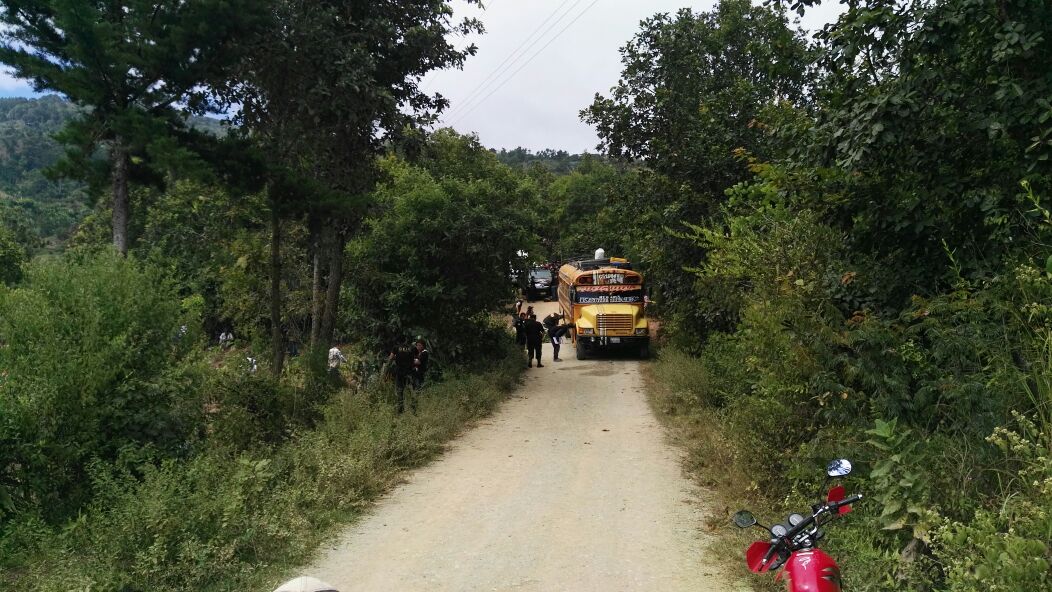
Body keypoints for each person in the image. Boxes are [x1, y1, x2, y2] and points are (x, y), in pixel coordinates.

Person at [388, 342, 417, 413]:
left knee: (400, 391)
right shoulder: (412, 347)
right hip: (410, 372)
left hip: (400, 372)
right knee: (411, 390)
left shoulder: (396, 347)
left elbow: (391, 358)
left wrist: (395, 358)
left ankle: (401, 409)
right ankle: (414, 408)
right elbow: (416, 357)